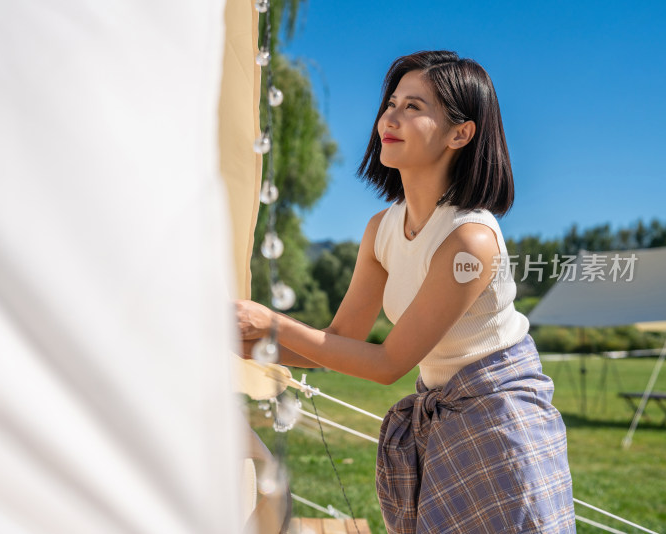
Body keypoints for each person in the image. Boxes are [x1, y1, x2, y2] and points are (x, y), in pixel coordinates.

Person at [236, 50, 576, 533]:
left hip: (501, 421)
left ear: (461, 133)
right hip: (444, 416)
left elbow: (387, 364)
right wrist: (246, 341)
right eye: (391, 103)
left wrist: (270, 324)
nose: (389, 119)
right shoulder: (382, 229)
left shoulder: (470, 239)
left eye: (414, 107)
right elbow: (338, 339)